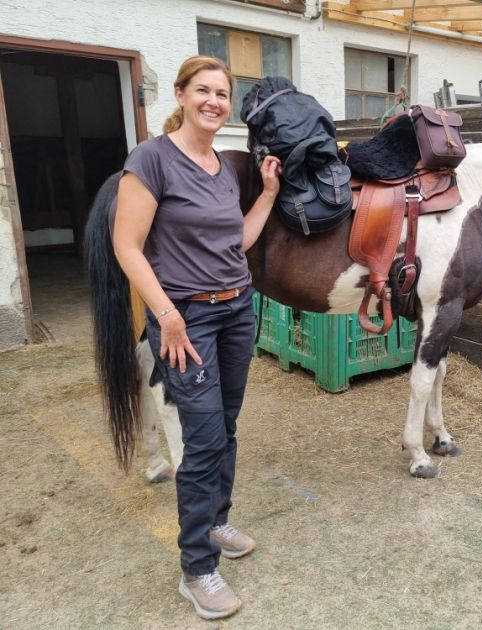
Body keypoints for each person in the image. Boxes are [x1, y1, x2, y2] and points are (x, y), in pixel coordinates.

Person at [113, 55, 281, 620]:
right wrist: (166, 314)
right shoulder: (152, 159)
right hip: (187, 319)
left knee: (225, 425)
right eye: (203, 91)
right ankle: (197, 568)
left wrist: (267, 195)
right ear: (181, 95)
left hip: (237, 310)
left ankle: (216, 520)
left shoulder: (217, 165)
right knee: (204, 438)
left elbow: (234, 239)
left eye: (222, 94)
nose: (214, 101)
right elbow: (127, 246)